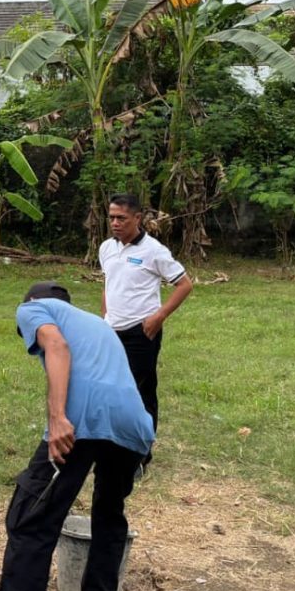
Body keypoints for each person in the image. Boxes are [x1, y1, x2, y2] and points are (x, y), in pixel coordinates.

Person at [0, 282, 155, 591]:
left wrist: (57, 417)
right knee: (109, 514)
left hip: (83, 423)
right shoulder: (98, 324)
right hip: (134, 428)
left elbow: (56, 346)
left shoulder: (35, 308)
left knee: (29, 521)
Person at [99, 193, 193, 469]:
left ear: (137, 219)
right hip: (111, 332)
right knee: (111, 391)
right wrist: (105, 316)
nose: (115, 223)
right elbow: (109, 283)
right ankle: (112, 447)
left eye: (122, 218)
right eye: (112, 217)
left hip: (142, 333)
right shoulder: (107, 248)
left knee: (139, 393)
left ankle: (140, 455)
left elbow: (184, 285)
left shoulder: (154, 251)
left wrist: (159, 316)